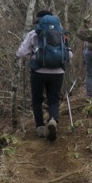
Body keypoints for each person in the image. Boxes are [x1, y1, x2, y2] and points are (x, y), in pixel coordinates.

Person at [16, 10, 72, 141]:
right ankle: (53, 120)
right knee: (54, 99)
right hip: (58, 71)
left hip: (38, 71)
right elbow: (70, 55)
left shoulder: (34, 34)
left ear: (38, 21)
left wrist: (30, 56)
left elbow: (21, 53)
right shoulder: (61, 34)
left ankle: (40, 127)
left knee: (37, 99)